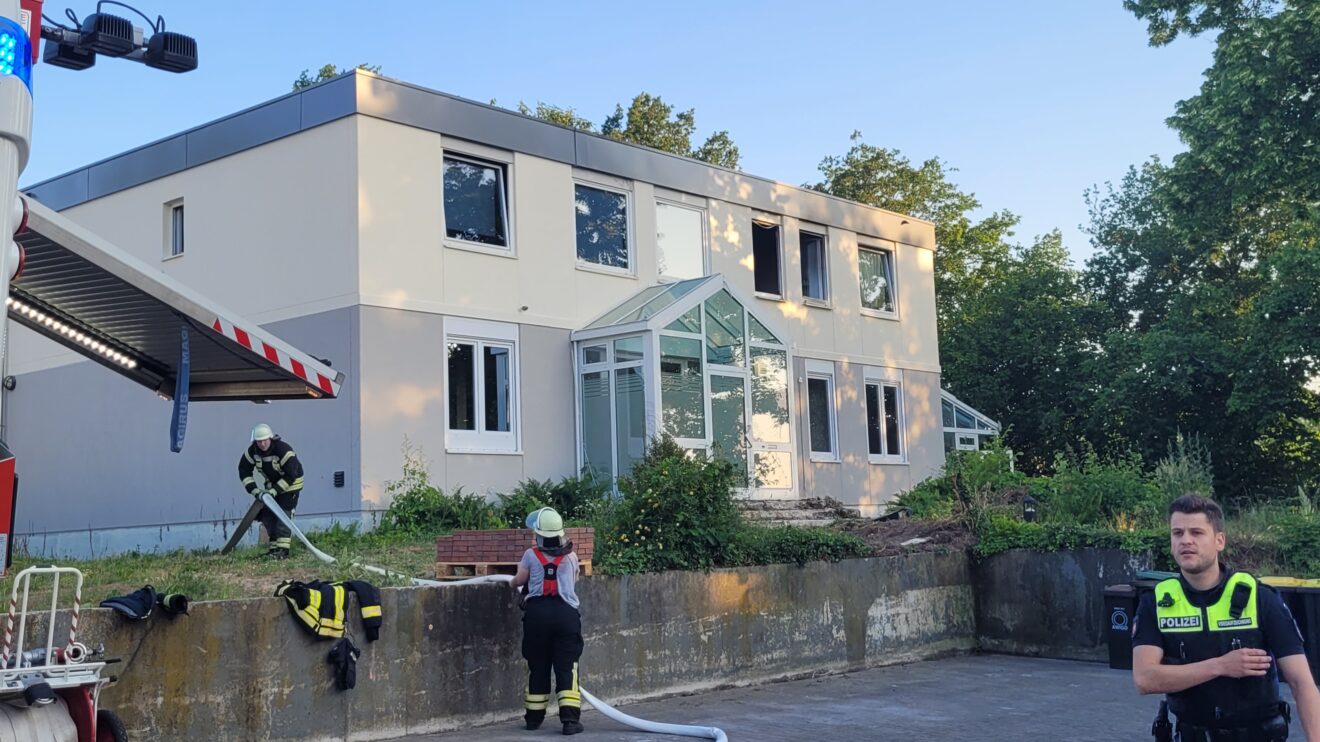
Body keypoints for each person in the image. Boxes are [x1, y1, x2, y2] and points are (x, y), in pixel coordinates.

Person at [1133, 493, 1320, 740]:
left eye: (1196, 533)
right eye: (1177, 533)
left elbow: (1301, 682)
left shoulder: (1260, 598)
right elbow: (1145, 679)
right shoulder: (1155, 602)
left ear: (1219, 540)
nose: (1186, 540)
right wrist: (1221, 666)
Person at [511, 507, 584, 735]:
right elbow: (573, 581)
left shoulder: (531, 555)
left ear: (540, 534)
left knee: (538, 666)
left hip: (537, 617)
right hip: (566, 616)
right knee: (567, 668)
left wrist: (513, 582)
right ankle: (570, 722)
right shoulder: (571, 556)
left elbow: (519, 580)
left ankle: (533, 720)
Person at [237, 423, 305, 559]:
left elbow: (291, 474)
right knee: (268, 517)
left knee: (283, 517)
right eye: (259, 441)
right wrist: (254, 490)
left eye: (264, 440)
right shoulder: (252, 452)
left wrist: (274, 491)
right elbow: (243, 470)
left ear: (270, 438)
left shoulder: (283, 450)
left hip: (291, 486)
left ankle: (283, 551)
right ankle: (274, 550)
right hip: (270, 489)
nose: (262, 444)